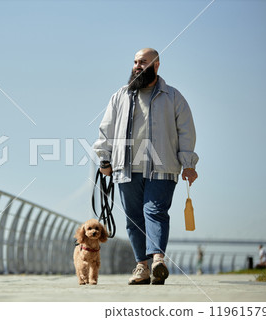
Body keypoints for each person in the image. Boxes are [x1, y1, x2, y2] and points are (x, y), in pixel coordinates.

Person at [93, 48, 199, 285]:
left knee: (155, 212)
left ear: (156, 65)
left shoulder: (173, 97)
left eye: (142, 61)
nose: (137, 66)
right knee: (133, 219)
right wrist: (104, 159)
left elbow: (186, 131)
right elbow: (106, 129)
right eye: (134, 62)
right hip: (125, 167)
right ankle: (142, 266)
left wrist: (189, 164)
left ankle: (158, 260)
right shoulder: (120, 96)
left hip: (162, 167)